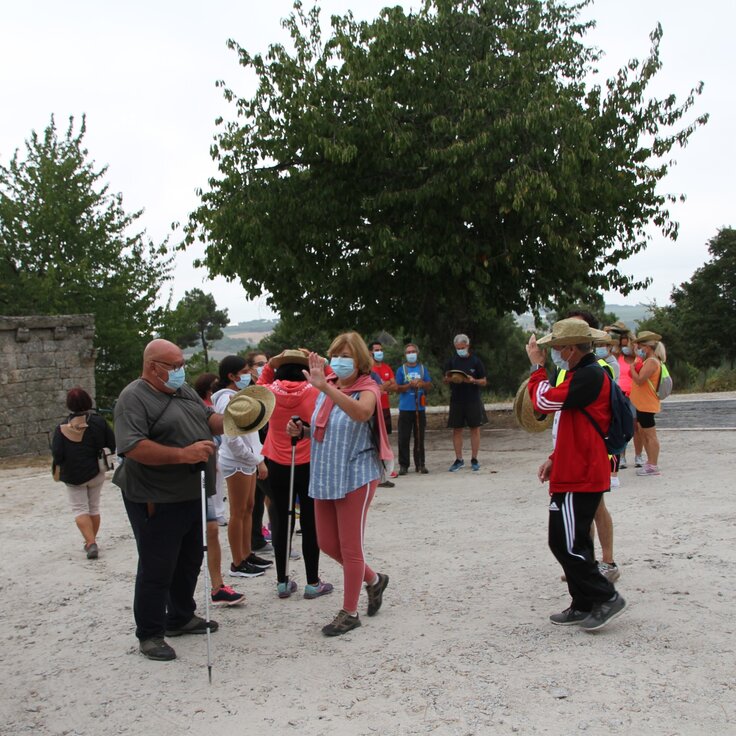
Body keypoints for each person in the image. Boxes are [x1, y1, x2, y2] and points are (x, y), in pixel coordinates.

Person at [112, 338, 223, 662]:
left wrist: (239, 417)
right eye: (174, 366)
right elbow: (132, 447)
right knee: (157, 565)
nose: (180, 370)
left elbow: (208, 419)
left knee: (189, 558)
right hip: (155, 495)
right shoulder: (133, 398)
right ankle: (149, 633)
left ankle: (180, 616)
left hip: (191, 491)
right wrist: (183, 454)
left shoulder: (183, 390)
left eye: (181, 364)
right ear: (152, 367)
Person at [526, 318, 627, 631]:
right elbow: (575, 424)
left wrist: (537, 368)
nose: (554, 352)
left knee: (567, 543)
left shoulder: (589, 375)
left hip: (582, 472)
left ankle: (606, 597)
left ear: (570, 348)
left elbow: (542, 401)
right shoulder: (580, 374)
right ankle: (582, 603)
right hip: (573, 467)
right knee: (570, 540)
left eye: (557, 347)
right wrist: (555, 458)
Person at [290, 332, 393, 636]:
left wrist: (325, 387)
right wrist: (302, 430)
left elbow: (361, 413)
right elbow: (326, 429)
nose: (339, 361)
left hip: (356, 474)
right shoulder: (329, 385)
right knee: (326, 543)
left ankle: (350, 612)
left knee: (350, 547)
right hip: (326, 473)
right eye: (335, 355)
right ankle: (374, 580)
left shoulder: (367, 387)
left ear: (359, 360)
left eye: (346, 356)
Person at [260, 349, 333, 600]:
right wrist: (322, 363)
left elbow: (256, 389)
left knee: (282, 521)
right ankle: (312, 582)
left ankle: (282, 581)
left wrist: (269, 364)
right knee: (310, 522)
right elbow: (334, 386)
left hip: (277, 462)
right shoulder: (314, 390)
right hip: (309, 462)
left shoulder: (268, 392)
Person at [212, 355, 273, 578]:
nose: (249, 375)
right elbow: (232, 436)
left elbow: (251, 432)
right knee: (238, 512)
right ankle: (237, 562)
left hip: (248, 459)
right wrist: (253, 459)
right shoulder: (225, 399)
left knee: (248, 507)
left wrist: (257, 457)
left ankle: (247, 554)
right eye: (245, 371)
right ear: (232, 375)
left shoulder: (240, 395)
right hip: (237, 461)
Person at [51, 387, 116, 559]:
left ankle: (90, 542)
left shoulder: (61, 428)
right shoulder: (99, 422)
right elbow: (112, 443)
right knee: (94, 507)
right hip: (96, 471)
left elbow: (57, 454)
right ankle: (90, 541)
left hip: (73, 475)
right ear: (88, 401)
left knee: (79, 508)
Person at [443, 334, 488, 472]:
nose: (460, 350)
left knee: (475, 428)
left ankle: (474, 459)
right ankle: (459, 459)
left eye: (462, 348)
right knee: (457, 429)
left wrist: (473, 380)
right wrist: (451, 379)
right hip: (456, 400)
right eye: (457, 348)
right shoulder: (452, 361)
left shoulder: (476, 361)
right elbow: (445, 379)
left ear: (467, 346)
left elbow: (484, 381)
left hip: (473, 399)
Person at [630, 331, 664, 476]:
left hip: (647, 403)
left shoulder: (651, 362)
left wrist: (632, 368)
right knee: (643, 432)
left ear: (647, 347)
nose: (638, 349)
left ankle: (653, 465)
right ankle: (650, 462)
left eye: (640, 347)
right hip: (642, 403)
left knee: (650, 435)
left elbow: (639, 380)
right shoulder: (649, 360)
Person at [395, 343, 432, 474]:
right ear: (405, 355)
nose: (411, 354)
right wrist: (408, 385)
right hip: (405, 408)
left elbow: (429, 385)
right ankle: (403, 465)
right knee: (403, 438)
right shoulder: (401, 370)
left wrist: (422, 384)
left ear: (417, 353)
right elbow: (397, 388)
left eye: (413, 351)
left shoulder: (422, 368)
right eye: (408, 352)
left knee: (419, 437)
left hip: (419, 408)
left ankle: (420, 464)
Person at [369, 340, 398, 487]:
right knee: (373, 441)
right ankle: (377, 475)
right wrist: (386, 385)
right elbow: (381, 387)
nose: (379, 352)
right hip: (370, 409)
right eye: (376, 350)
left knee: (383, 439)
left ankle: (383, 474)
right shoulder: (367, 370)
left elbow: (393, 385)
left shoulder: (384, 368)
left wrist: (383, 386)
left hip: (383, 408)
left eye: (380, 349)